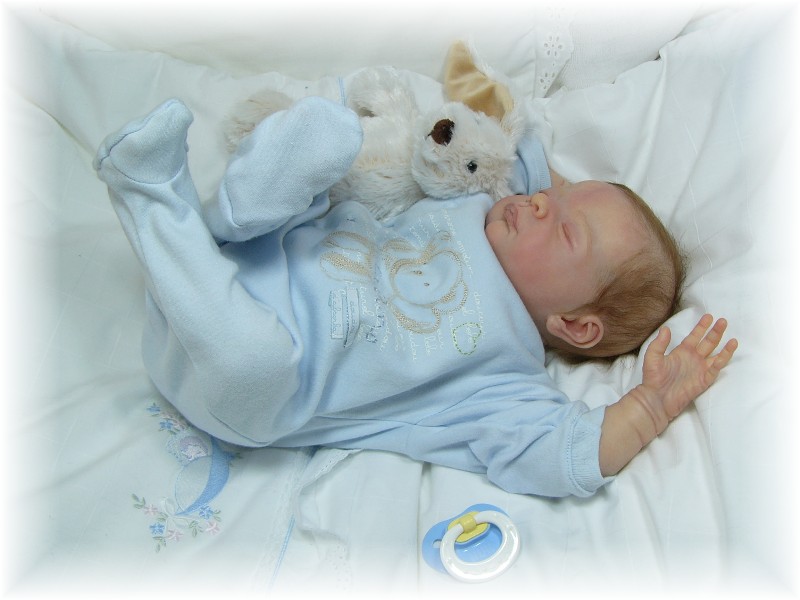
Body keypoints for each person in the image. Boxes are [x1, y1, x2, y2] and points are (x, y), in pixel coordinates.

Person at [94, 96, 737, 498]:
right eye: (556, 195)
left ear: (574, 324)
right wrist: (553, 186)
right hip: (254, 262)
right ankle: (224, 218)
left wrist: (652, 404)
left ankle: (154, 198)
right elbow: (511, 149)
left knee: (254, 359)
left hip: (244, 383)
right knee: (310, 181)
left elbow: (562, 458)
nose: (544, 203)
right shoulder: (479, 202)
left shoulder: (505, 380)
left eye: (566, 229)